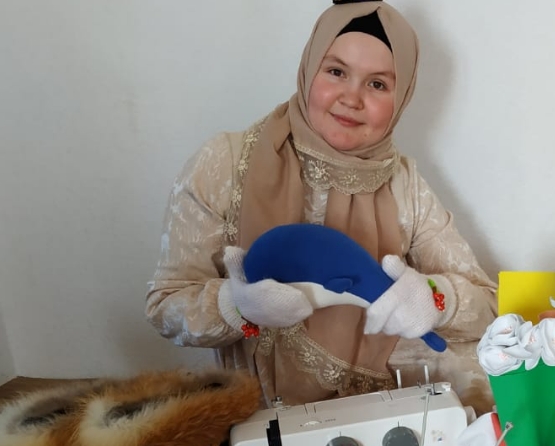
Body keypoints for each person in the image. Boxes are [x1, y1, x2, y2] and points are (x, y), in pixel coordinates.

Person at [145, 0, 497, 412]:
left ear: (402, 97)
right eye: (336, 72)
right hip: (263, 415)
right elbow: (166, 305)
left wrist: (435, 298)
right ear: (309, 68)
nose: (352, 98)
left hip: (378, 408)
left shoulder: (405, 184)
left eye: (377, 84)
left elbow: (488, 304)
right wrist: (236, 305)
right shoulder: (224, 161)